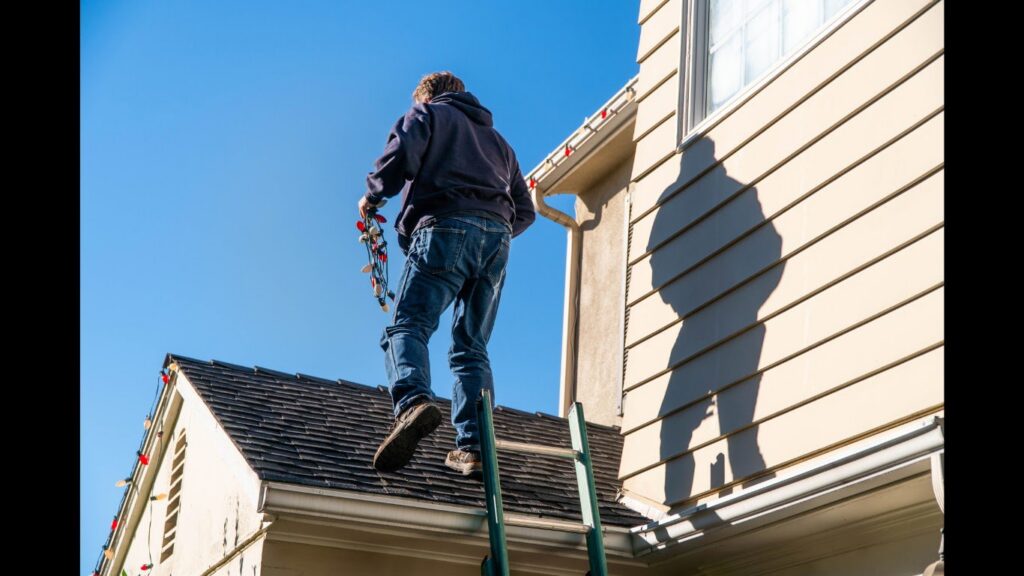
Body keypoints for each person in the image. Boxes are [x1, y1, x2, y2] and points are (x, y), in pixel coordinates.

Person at [359, 71, 536, 477]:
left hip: (444, 226)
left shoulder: (429, 115)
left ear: (428, 95)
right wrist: (492, 228)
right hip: (497, 240)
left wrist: (372, 196)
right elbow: (525, 211)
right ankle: (473, 447)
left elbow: (401, 152)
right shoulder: (501, 145)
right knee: (471, 346)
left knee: (408, 325)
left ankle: (413, 403)